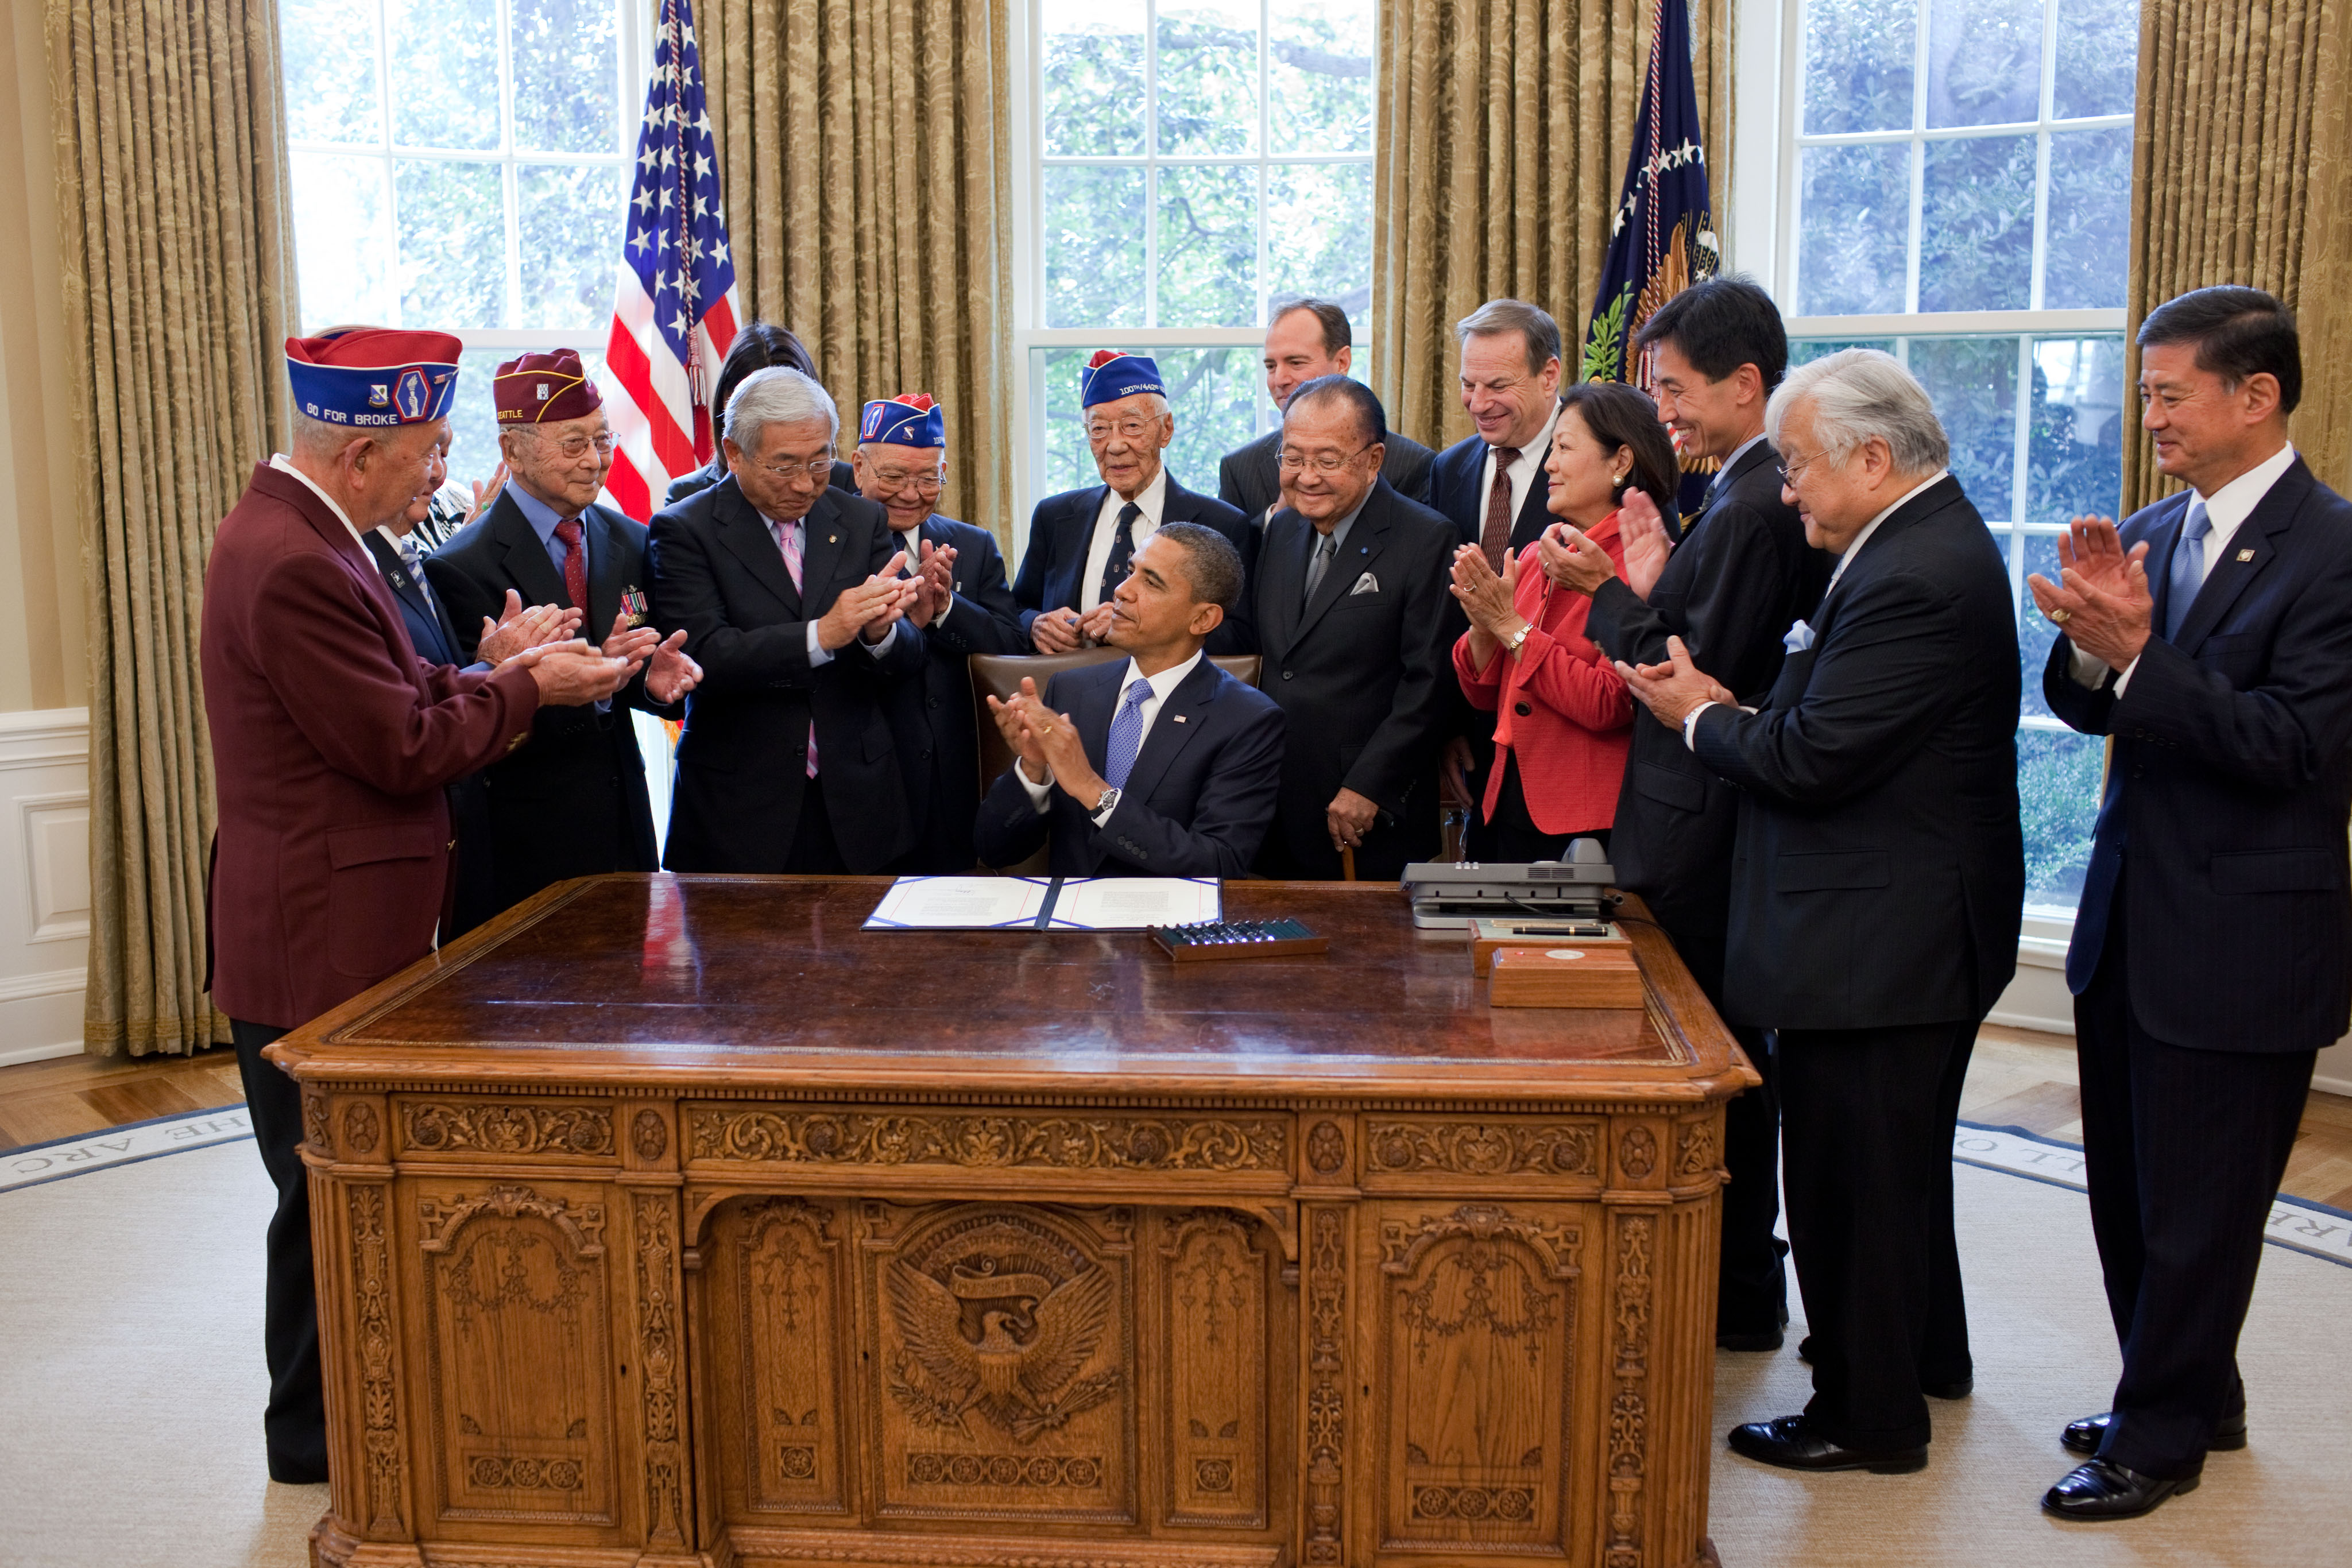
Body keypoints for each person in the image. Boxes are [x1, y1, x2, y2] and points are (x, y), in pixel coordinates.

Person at [202, 328, 639, 1484]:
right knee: (324, 1188)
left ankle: (337, 1413)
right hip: (318, 928)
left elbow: (394, 691)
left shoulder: (326, 536)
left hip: (348, 914)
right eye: (428, 451)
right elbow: (396, 746)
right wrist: (526, 687)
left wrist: (490, 664)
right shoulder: (296, 560)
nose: (439, 474)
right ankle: (313, 1439)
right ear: (358, 454)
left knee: (335, 1185)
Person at [1614, 349, 2022, 1475]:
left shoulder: (1912, 572)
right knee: (1894, 1172)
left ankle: (1864, 1414)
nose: (1783, 488)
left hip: (1884, 935)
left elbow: (1810, 757)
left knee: (1854, 1183)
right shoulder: (1907, 543)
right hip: (1890, 919)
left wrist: (1700, 715)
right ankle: (1921, 1358)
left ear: (1872, 458)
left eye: (1796, 467)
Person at [2028, 287, 2352, 1520]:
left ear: (2254, 395)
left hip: (2244, 936)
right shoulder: (2153, 529)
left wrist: (2143, 658)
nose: (2146, 414)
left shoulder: (2332, 547)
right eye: (2145, 392)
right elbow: (2093, 709)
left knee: (2203, 1209)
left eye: (2168, 393)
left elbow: (2294, 748)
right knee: (2129, 1192)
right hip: (2128, 920)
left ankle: (2157, 1439)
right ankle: (2185, 1387)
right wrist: (2085, 646)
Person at [1541, 276, 1831, 1354]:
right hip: (1690, 814)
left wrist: (1606, 594)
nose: (1658, 410)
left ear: (1745, 383)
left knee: (1712, 1066)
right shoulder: (1742, 492)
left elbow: (1685, 668)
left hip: (1702, 825)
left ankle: (1738, 1289)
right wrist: (1652, 580)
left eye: (1672, 389)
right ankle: (1734, 1280)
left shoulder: (1757, 504)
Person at [425, 352, 704, 916]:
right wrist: (582, 673)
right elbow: (464, 723)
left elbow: (629, 670)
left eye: (603, 440)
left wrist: (649, 681)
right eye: (574, 444)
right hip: (522, 837)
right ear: (512, 450)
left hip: (624, 826)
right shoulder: (460, 565)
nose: (595, 461)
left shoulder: (627, 537)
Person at [649, 366, 926, 873]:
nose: (805, 484)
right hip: (739, 806)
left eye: (820, 461)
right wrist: (822, 635)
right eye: (784, 466)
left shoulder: (861, 519)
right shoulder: (684, 530)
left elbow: (908, 655)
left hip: (857, 799)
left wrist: (880, 632)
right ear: (734, 454)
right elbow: (704, 653)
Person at [974, 525, 1283, 876]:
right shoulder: (1070, 691)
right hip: (1068, 924)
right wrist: (1033, 770)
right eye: (1130, 571)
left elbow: (1219, 862)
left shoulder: (1248, 718)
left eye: (1151, 582)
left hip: (1167, 923)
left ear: (1203, 619)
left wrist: (1093, 790)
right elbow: (993, 850)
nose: (1121, 591)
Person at [362, 432, 576, 936]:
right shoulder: (355, 562)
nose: (438, 474)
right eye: (426, 455)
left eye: (446, 454)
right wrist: (504, 670)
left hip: (461, 843)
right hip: (396, 864)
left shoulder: (413, 552)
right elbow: (405, 720)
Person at [1450, 382, 1670, 861]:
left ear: (1620, 461)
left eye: (1564, 448)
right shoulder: (1536, 553)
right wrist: (1483, 624)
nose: (1548, 464)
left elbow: (1608, 703)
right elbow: (1484, 694)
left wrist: (1509, 625)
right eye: (1552, 448)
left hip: (1584, 818)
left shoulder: (1642, 567)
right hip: (1504, 798)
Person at [1250, 375, 1456, 880]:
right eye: (1293, 458)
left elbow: (1429, 685)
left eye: (1327, 460)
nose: (1306, 476)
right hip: (1275, 794)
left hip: (1365, 810)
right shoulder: (1283, 528)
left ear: (1373, 460)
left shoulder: (1427, 538)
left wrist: (1371, 786)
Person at [855, 392, 1027, 872]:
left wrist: (948, 608)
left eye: (929, 477)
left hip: (953, 782)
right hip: (865, 780)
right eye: (894, 476)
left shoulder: (972, 545)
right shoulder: (833, 541)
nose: (911, 493)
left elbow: (1012, 647)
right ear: (859, 467)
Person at [1013, 350, 1258, 656]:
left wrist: (1138, 624)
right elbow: (1016, 610)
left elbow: (1239, 635)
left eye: (1132, 426)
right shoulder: (1055, 516)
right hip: (1067, 693)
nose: (1115, 446)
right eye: (1099, 429)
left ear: (1166, 429)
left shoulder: (1220, 524)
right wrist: (1036, 624)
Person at [1426, 299, 1569, 814]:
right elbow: (1443, 614)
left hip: (1561, 743)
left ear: (1549, 375)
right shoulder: (1449, 468)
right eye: (1469, 384)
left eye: (1497, 385)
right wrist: (1449, 726)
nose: (1478, 402)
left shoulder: (1600, 459)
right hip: (1475, 735)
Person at [1217, 298, 1434, 518]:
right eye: (1271, 366)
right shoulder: (1239, 468)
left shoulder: (1411, 465)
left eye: (1296, 363)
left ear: (1342, 362)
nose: (1279, 379)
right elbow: (1231, 551)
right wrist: (1276, 519)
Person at [666, 322, 857, 504]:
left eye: (785, 402)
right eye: (753, 404)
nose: (770, 415)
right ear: (725, 405)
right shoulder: (688, 495)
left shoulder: (847, 483)